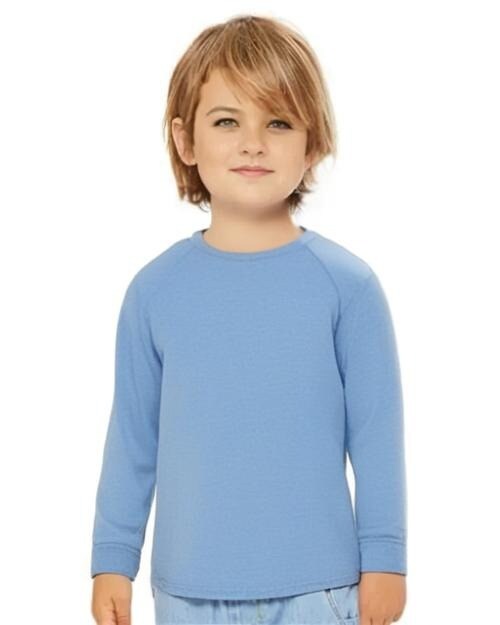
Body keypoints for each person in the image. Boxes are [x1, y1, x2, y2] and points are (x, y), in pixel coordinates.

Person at [90, 13, 408, 625]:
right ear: (185, 140)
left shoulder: (349, 287)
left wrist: (386, 559)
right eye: (227, 121)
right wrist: (112, 558)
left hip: (321, 591)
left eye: (278, 122)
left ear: (313, 143)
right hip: (188, 593)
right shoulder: (154, 292)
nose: (253, 142)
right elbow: (132, 438)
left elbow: (376, 438)